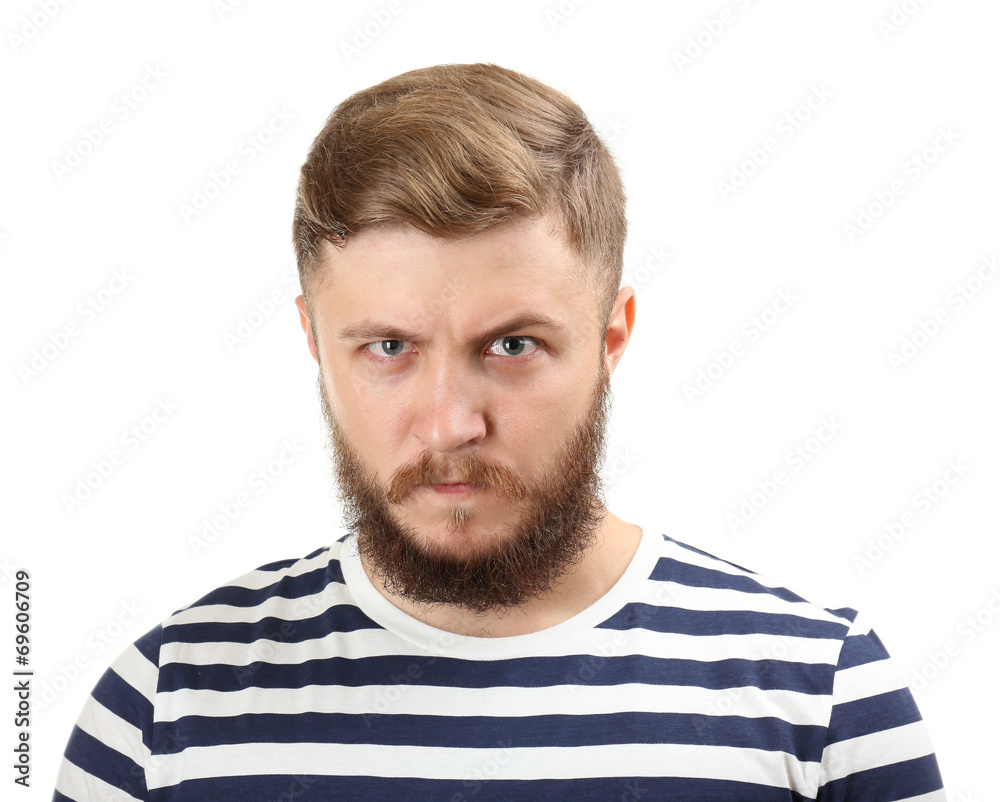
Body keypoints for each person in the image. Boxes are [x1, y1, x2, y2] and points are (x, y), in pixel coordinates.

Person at [52, 62, 946, 801]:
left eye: (513, 345)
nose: (451, 422)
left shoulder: (823, 696)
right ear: (314, 344)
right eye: (389, 347)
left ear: (611, 339)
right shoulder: (164, 705)